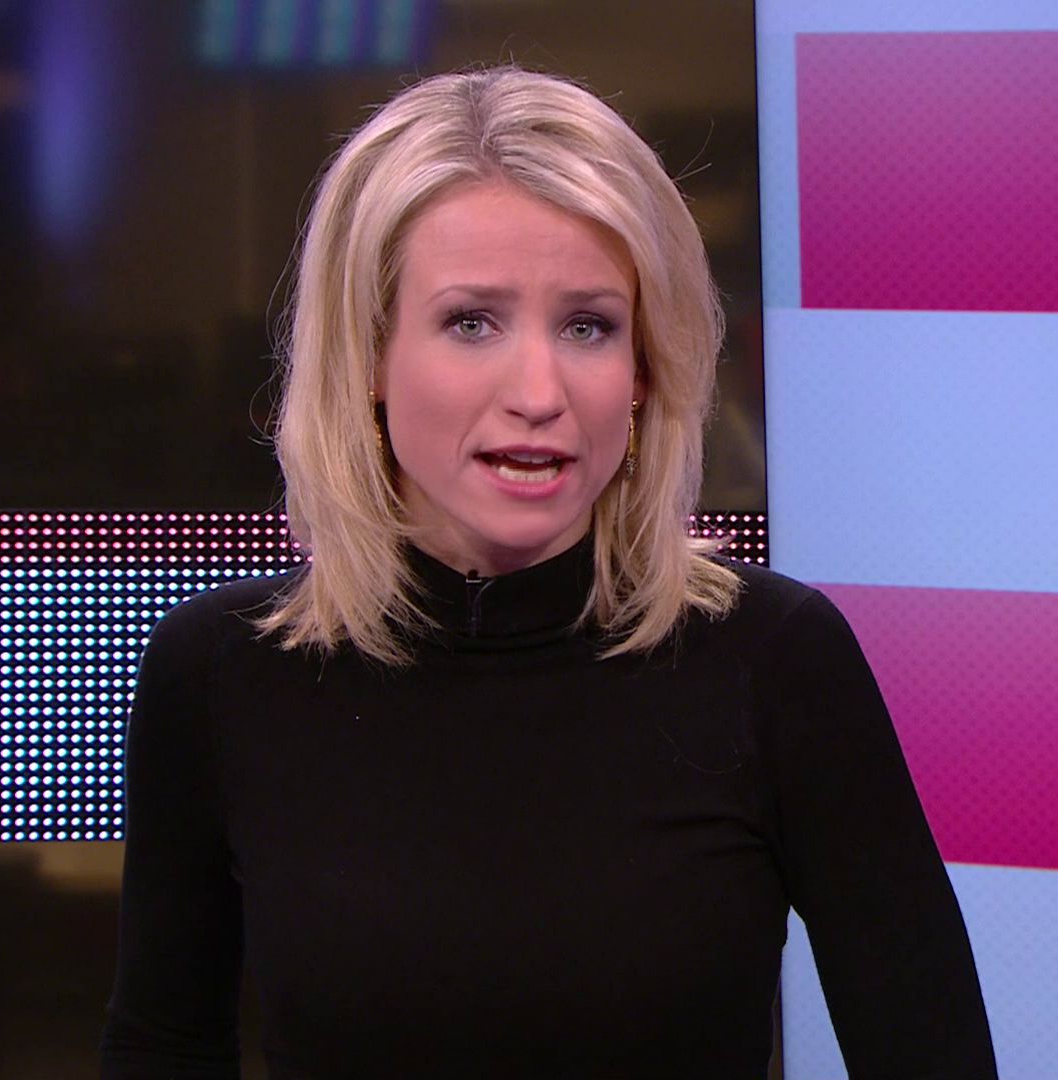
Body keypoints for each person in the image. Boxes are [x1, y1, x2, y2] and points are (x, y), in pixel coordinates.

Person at [99, 66, 995, 1079]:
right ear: (369, 358)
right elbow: (163, 1044)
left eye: (588, 326)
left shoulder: (776, 660)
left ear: (644, 369)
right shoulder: (220, 674)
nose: (539, 391)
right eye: (471, 322)